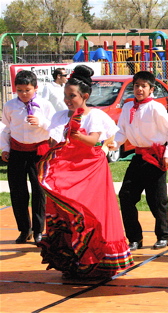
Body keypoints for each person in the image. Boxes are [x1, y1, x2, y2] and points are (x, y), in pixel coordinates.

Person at [37, 65, 134, 278]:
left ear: (85, 96)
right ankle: (73, 261)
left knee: (90, 214)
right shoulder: (61, 116)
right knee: (68, 214)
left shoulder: (94, 116)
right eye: (66, 95)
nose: (67, 99)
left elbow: (94, 140)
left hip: (91, 172)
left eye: (72, 96)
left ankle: (95, 262)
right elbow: (54, 140)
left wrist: (77, 135)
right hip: (67, 172)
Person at [113, 71, 168, 251]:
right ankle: (134, 238)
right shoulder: (128, 107)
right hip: (138, 157)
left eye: (144, 86)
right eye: (136, 86)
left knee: (157, 200)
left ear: (151, 89)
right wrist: (111, 144)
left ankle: (163, 236)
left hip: (155, 157)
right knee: (126, 196)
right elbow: (122, 132)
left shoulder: (156, 108)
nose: (139, 89)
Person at [1, 70, 55, 244]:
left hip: (38, 151)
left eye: (27, 90)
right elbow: (5, 128)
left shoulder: (45, 105)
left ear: (36, 88)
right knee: (18, 192)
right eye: (20, 90)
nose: (24, 94)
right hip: (17, 151)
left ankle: (39, 230)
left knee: (39, 191)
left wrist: (42, 123)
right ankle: (25, 229)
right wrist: (5, 148)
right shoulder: (10, 106)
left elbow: (55, 128)